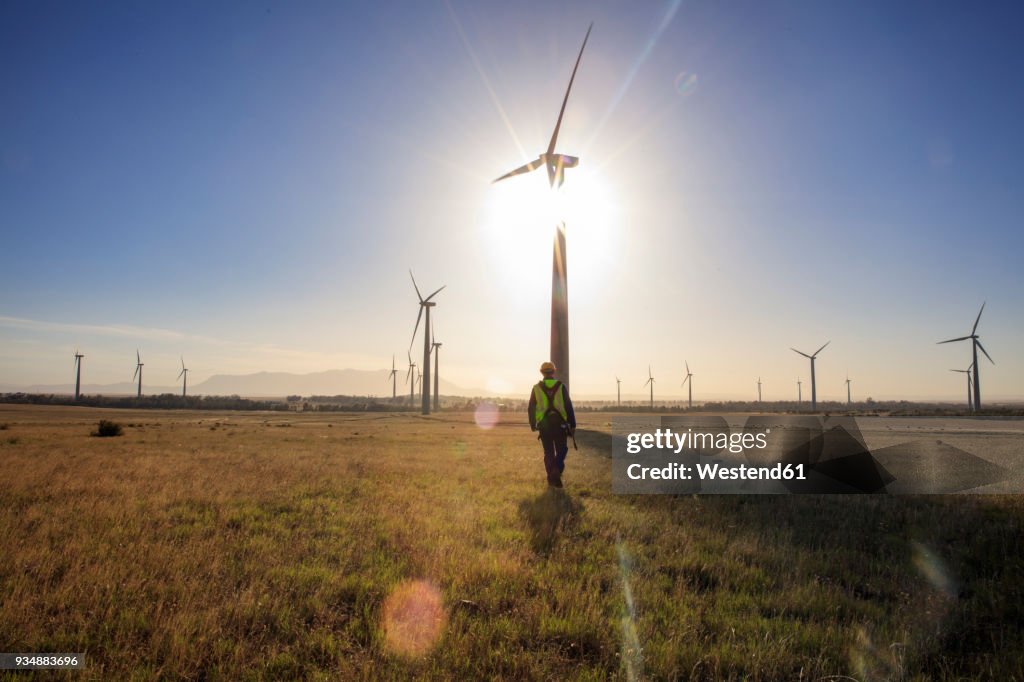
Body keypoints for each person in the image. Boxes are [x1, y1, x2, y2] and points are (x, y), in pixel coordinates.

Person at [528, 361, 577, 487]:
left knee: (548, 452)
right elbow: (568, 406)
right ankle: (556, 470)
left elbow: (531, 408)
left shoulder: (536, 388)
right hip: (560, 425)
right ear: (554, 371)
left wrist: (533, 424)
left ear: (541, 372)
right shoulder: (561, 387)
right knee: (562, 450)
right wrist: (573, 424)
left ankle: (551, 476)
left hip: (544, 425)